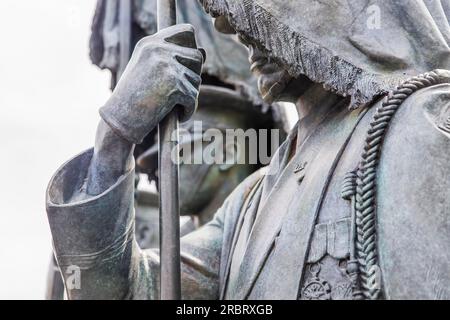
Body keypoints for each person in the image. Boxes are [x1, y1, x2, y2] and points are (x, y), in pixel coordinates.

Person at [46, 0, 450, 299]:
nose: (226, 25)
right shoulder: (248, 206)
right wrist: (116, 137)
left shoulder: (421, 122)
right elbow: (122, 294)